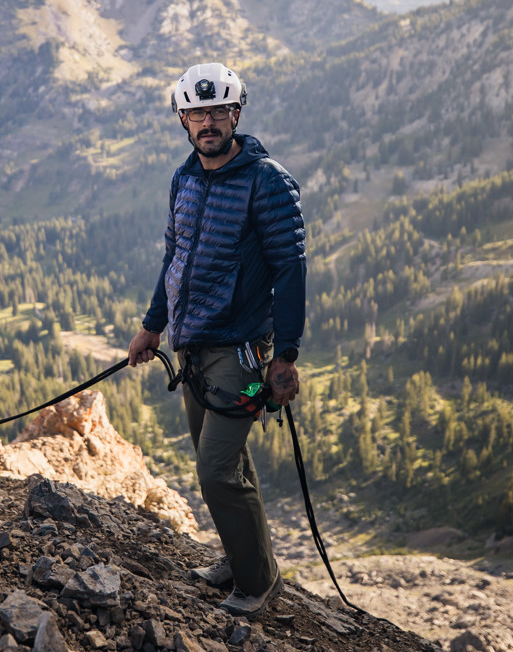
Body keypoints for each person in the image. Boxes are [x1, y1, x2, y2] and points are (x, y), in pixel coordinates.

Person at [128, 62, 306, 619]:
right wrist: (153, 325)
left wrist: (287, 354)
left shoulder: (266, 180)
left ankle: (256, 583)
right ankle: (241, 555)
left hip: (241, 351)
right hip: (193, 348)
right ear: (183, 120)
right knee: (229, 465)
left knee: (215, 470)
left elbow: (290, 268)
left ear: (236, 114)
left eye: (218, 111)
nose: (207, 121)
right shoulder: (185, 179)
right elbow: (174, 259)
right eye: (196, 113)